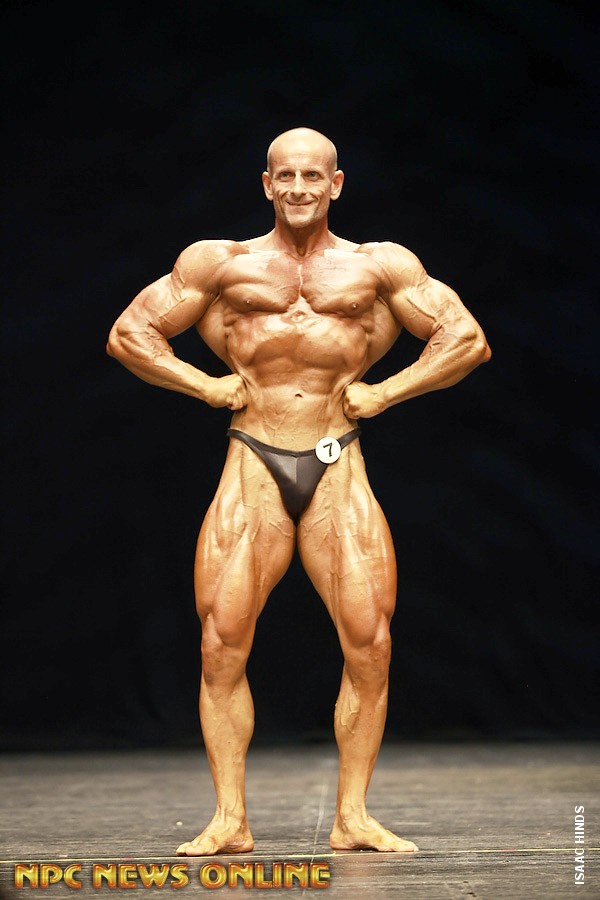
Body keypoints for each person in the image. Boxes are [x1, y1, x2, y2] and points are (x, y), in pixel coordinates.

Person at [107, 127, 491, 855]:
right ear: (266, 184)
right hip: (253, 457)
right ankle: (230, 820)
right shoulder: (221, 262)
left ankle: (353, 817)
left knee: (371, 642)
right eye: (285, 176)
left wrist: (386, 393)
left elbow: (465, 339)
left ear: (336, 184)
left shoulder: (378, 266)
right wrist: (203, 384)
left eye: (313, 176)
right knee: (222, 642)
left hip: (336, 457)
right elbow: (131, 334)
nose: (299, 189)